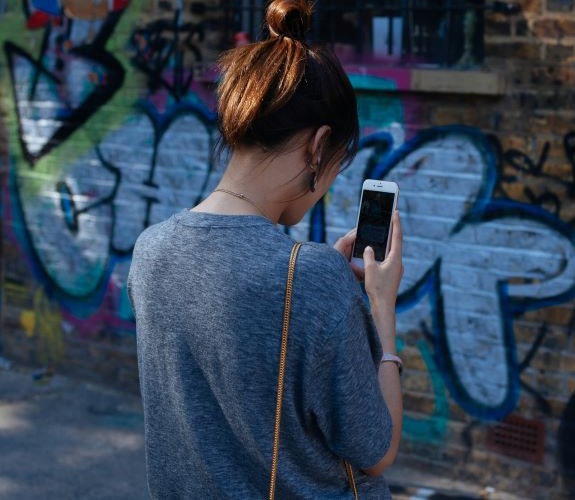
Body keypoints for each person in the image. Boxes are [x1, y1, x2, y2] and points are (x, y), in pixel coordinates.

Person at [127, 0, 403, 497]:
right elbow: (377, 450)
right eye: (337, 165)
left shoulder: (151, 252)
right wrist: (381, 306)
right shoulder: (314, 278)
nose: (327, 184)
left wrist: (322, 289)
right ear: (319, 147)